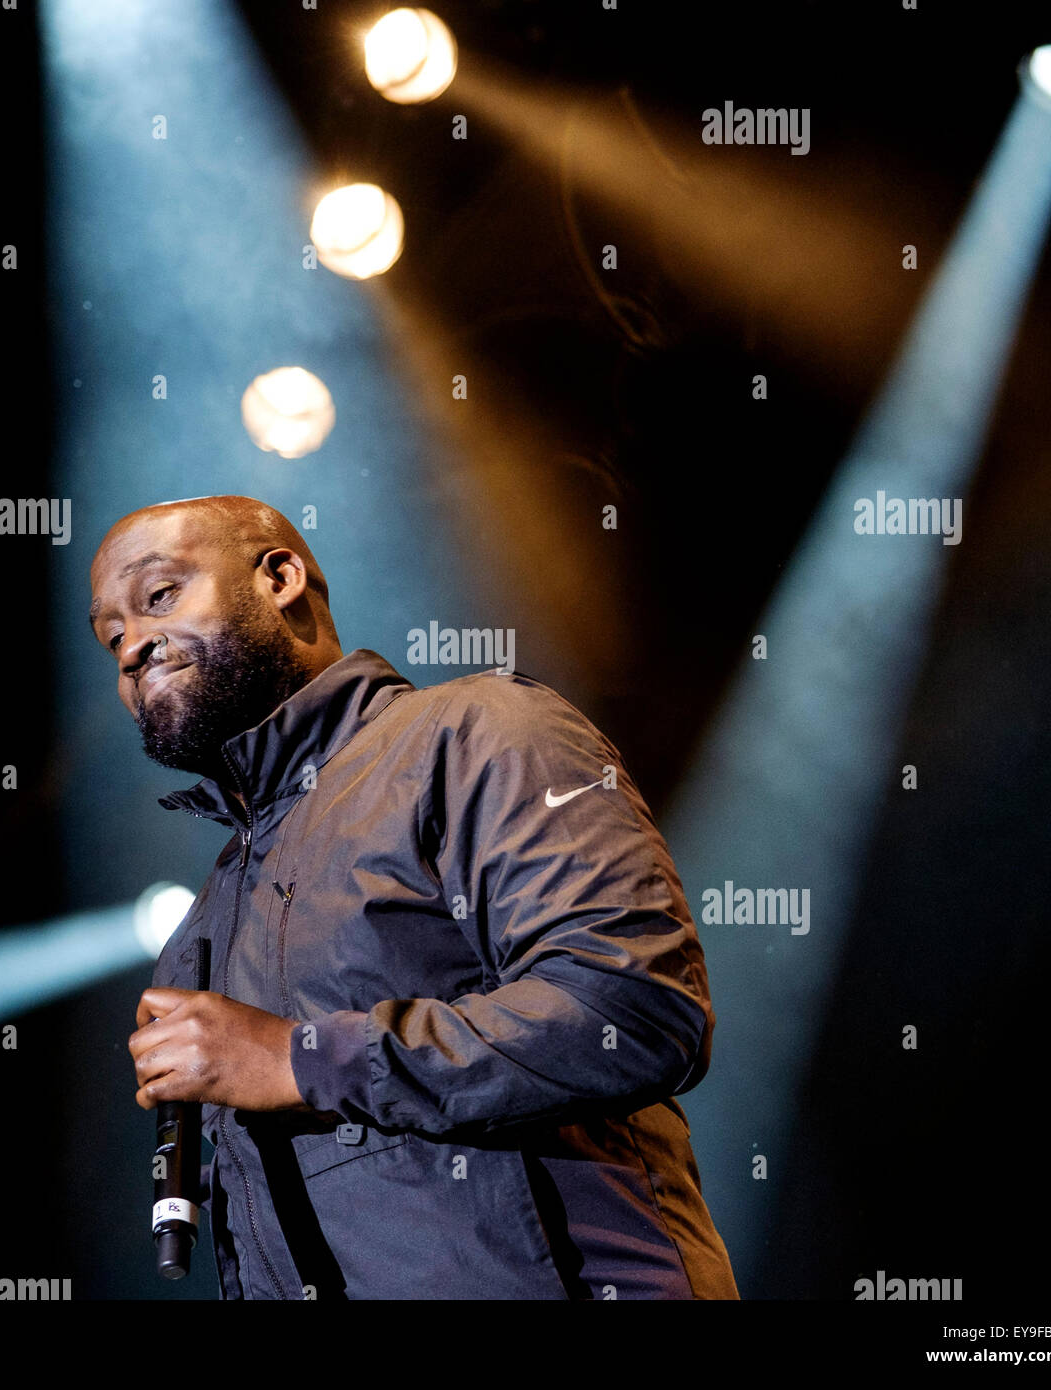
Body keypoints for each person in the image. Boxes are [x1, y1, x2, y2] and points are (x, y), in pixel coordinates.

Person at [90, 493, 739, 1300]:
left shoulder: (476, 731)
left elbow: (633, 1010)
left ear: (281, 577)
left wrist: (297, 1058)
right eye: (111, 634)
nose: (131, 647)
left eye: (159, 597)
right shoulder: (203, 925)